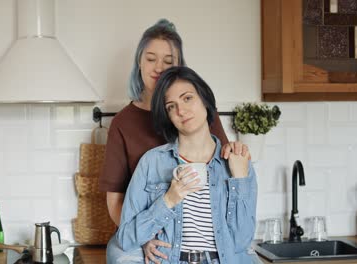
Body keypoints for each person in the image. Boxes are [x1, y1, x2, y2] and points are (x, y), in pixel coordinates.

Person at [99, 19, 250, 263]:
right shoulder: (123, 124)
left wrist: (239, 156)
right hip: (147, 232)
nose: (159, 68)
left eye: (168, 61)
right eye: (151, 59)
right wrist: (146, 236)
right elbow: (115, 200)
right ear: (139, 62)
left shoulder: (199, 115)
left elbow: (224, 166)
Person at [116, 66, 258, 263]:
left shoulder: (237, 161)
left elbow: (241, 242)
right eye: (171, 106)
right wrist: (168, 201)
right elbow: (125, 238)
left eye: (187, 98)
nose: (181, 111)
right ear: (167, 116)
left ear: (205, 100)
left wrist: (240, 178)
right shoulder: (152, 162)